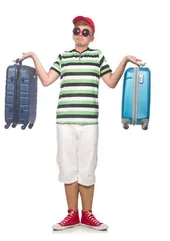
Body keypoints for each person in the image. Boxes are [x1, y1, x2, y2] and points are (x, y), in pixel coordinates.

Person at [17, 16, 143, 231]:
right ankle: (71, 215)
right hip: (64, 121)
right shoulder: (63, 57)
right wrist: (33, 57)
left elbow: (111, 82)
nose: (80, 34)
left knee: (87, 167)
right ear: (72, 34)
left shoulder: (97, 56)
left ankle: (88, 215)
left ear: (92, 37)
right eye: (77, 30)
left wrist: (124, 60)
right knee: (67, 168)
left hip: (89, 122)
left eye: (86, 32)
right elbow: (47, 80)